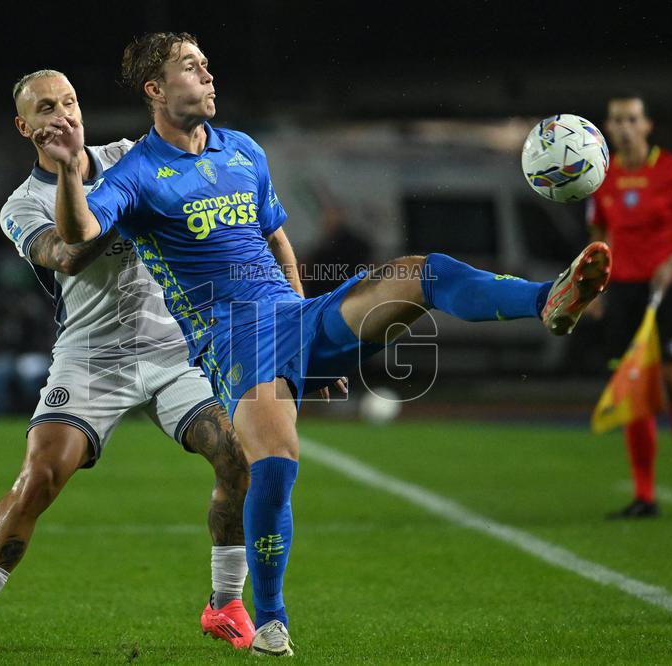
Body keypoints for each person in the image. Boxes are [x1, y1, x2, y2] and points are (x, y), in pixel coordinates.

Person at [42, 33, 610, 656]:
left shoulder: (243, 151)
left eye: (206, 63)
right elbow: (80, 235)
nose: (207, 74)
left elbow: (278, 240)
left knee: (425, 272)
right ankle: (271, 619)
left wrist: (303, 340)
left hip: (293, 316)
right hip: (232, 338)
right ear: (155, 90)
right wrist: (72, 170)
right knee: (276, 461)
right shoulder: (138, 172)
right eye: (190, 67)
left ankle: (545, 301)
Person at [0, 70, 253, 653]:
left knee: (235, 455)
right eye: (46, 107)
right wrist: (84, 182)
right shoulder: (21, 204)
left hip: (170, 351)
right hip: (90, 360)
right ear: (24, 127)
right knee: (40, 479)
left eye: (70, 101)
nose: (63, 115)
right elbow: (67, 255)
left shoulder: (129, 156)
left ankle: (225, 603)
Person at [587, 94, 672, 519]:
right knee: (634, 390)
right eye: (617, 119)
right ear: (607, 126)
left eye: (632, 119)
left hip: (670, 287)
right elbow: (599, 237)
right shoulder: (600, 179)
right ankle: (645, 496)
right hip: (624, 291)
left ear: (647, 125)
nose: (624, 127)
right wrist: (594, 289)